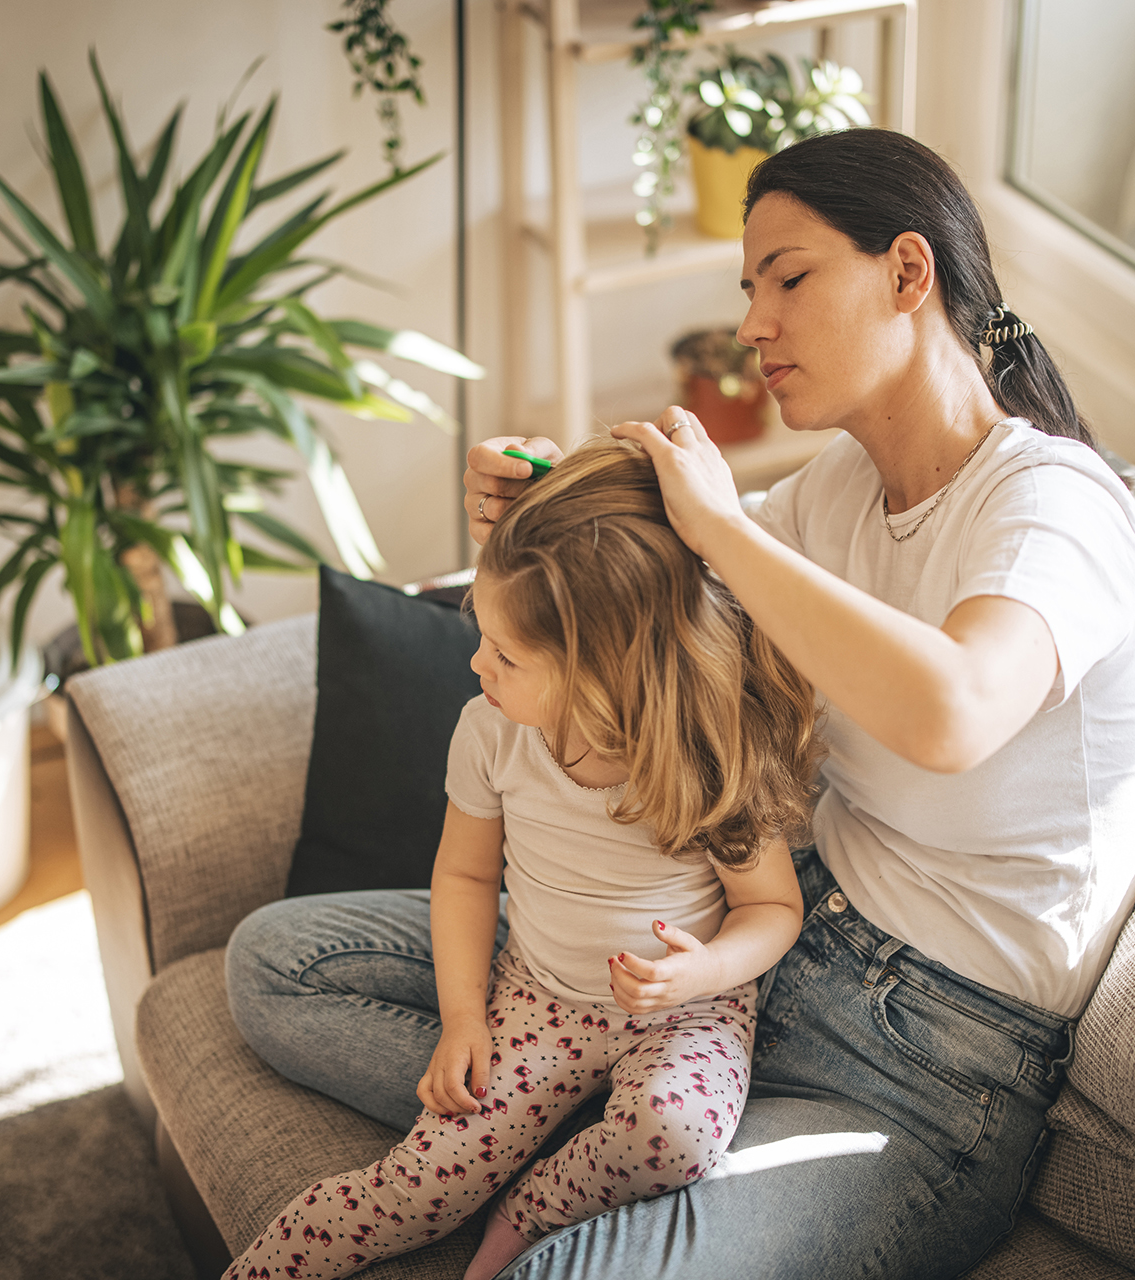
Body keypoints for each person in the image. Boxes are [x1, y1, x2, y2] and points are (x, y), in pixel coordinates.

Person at [231, 128, 1135, 1278]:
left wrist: (723, 525)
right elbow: (634, 585)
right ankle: (581, 1114)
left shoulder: (1054, 504)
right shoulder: (839, 490)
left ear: (908, 274)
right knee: (276, 963)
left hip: (923, 1060)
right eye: (748, 288)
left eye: (789, 277)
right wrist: (535, 495)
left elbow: (954, 711)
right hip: (729, 958)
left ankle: (592, 1141)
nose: (752, 325)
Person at [223, 441, 822, 1280]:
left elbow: (774, 910)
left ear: (606, 673)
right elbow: (465, 877)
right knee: (418, 1186)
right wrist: (464, 1019)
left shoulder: (705, 752)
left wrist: (705, 971)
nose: (477, 664)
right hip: (537, 992)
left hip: (685, 1011)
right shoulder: (491, 732)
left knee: (675, 1134)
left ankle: (534, 1204)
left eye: (506, 655)